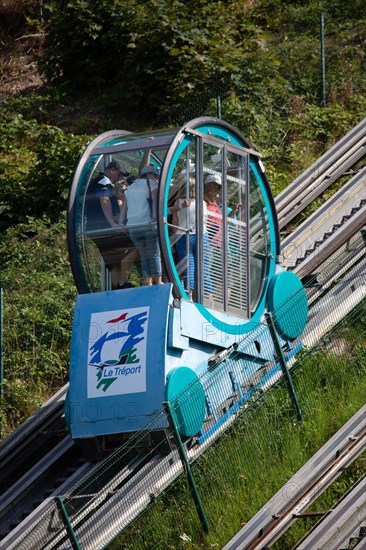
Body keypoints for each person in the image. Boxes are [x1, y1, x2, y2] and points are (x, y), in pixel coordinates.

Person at [85, 160, 138, 289]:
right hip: (103, 228)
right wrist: (112, 223)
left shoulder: (100, 182)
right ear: (112, 170)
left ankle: (117, 288)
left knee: (114, 261)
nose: (119, 178)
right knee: (135, 245)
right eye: (119, 175)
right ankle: (123, 282)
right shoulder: (103, 181)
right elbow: (104, 200)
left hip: (96, 228)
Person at [170, 177, 212, 300]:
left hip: (183, 236)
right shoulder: (202, 203)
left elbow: (175, 223)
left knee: (189, 266)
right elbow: (206, 221)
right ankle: (208, 295)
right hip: (201, 235)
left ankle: (190, 293)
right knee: (204, 265)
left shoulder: (178, 203)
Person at [121, 164, 162, 286]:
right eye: (155, 175)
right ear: (149, 175)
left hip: (132, 226)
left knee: (144, 255)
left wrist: (120, 223)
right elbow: (155, 203)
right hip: (147, 224)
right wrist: (155, 218)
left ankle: (147, 281)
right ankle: (158, 282)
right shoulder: (151, 184)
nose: (156, 178)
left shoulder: (131, 187)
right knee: (154, 254)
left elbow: (124, 207)